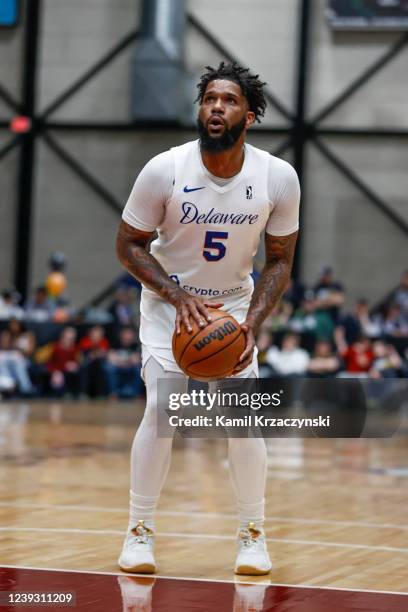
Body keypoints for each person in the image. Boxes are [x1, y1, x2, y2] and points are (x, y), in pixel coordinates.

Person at [115, 62, 300, 575]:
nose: (216, 107)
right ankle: (139, 530)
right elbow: (128, 246)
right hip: (168, 304)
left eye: (229, 101)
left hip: (234, 307)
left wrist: (253, 322)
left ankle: (252, 535)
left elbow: (280, 259)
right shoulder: (165, 169)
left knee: (243, 422)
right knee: (162, 411)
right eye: (209, 99)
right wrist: (177, 299)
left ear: (251, 115)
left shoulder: (277, 177)